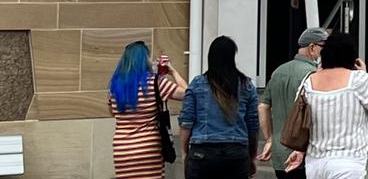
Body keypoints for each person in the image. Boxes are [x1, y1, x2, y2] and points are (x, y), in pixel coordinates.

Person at [283, 32, 368, 179]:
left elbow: (301, 119)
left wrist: (300, 151)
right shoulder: (358, 79)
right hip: (348, 162)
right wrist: (365, 74)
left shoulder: (308, 81)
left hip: (315, 164)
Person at [179, 36, 260, 179]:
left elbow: (186, 122)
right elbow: (252, 125)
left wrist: (185, 152)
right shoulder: (247, 85)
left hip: (202, 152)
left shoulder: (197, 83)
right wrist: (252, 156)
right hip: (236, 153)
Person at [108, 41, 188, 179]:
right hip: (148, 147)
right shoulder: (156, 82)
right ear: (143, 60)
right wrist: (172, 71)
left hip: (122, 148)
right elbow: (188, 94)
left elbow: (112, 112)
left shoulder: (115, 87)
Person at [258, 27, 327, 178]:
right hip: (304, 154)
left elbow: (263, 106)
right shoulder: (314, 75)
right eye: (324, 47)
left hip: (279, 152)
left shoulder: (278, 71)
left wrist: (269, 139)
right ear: (312, 47)